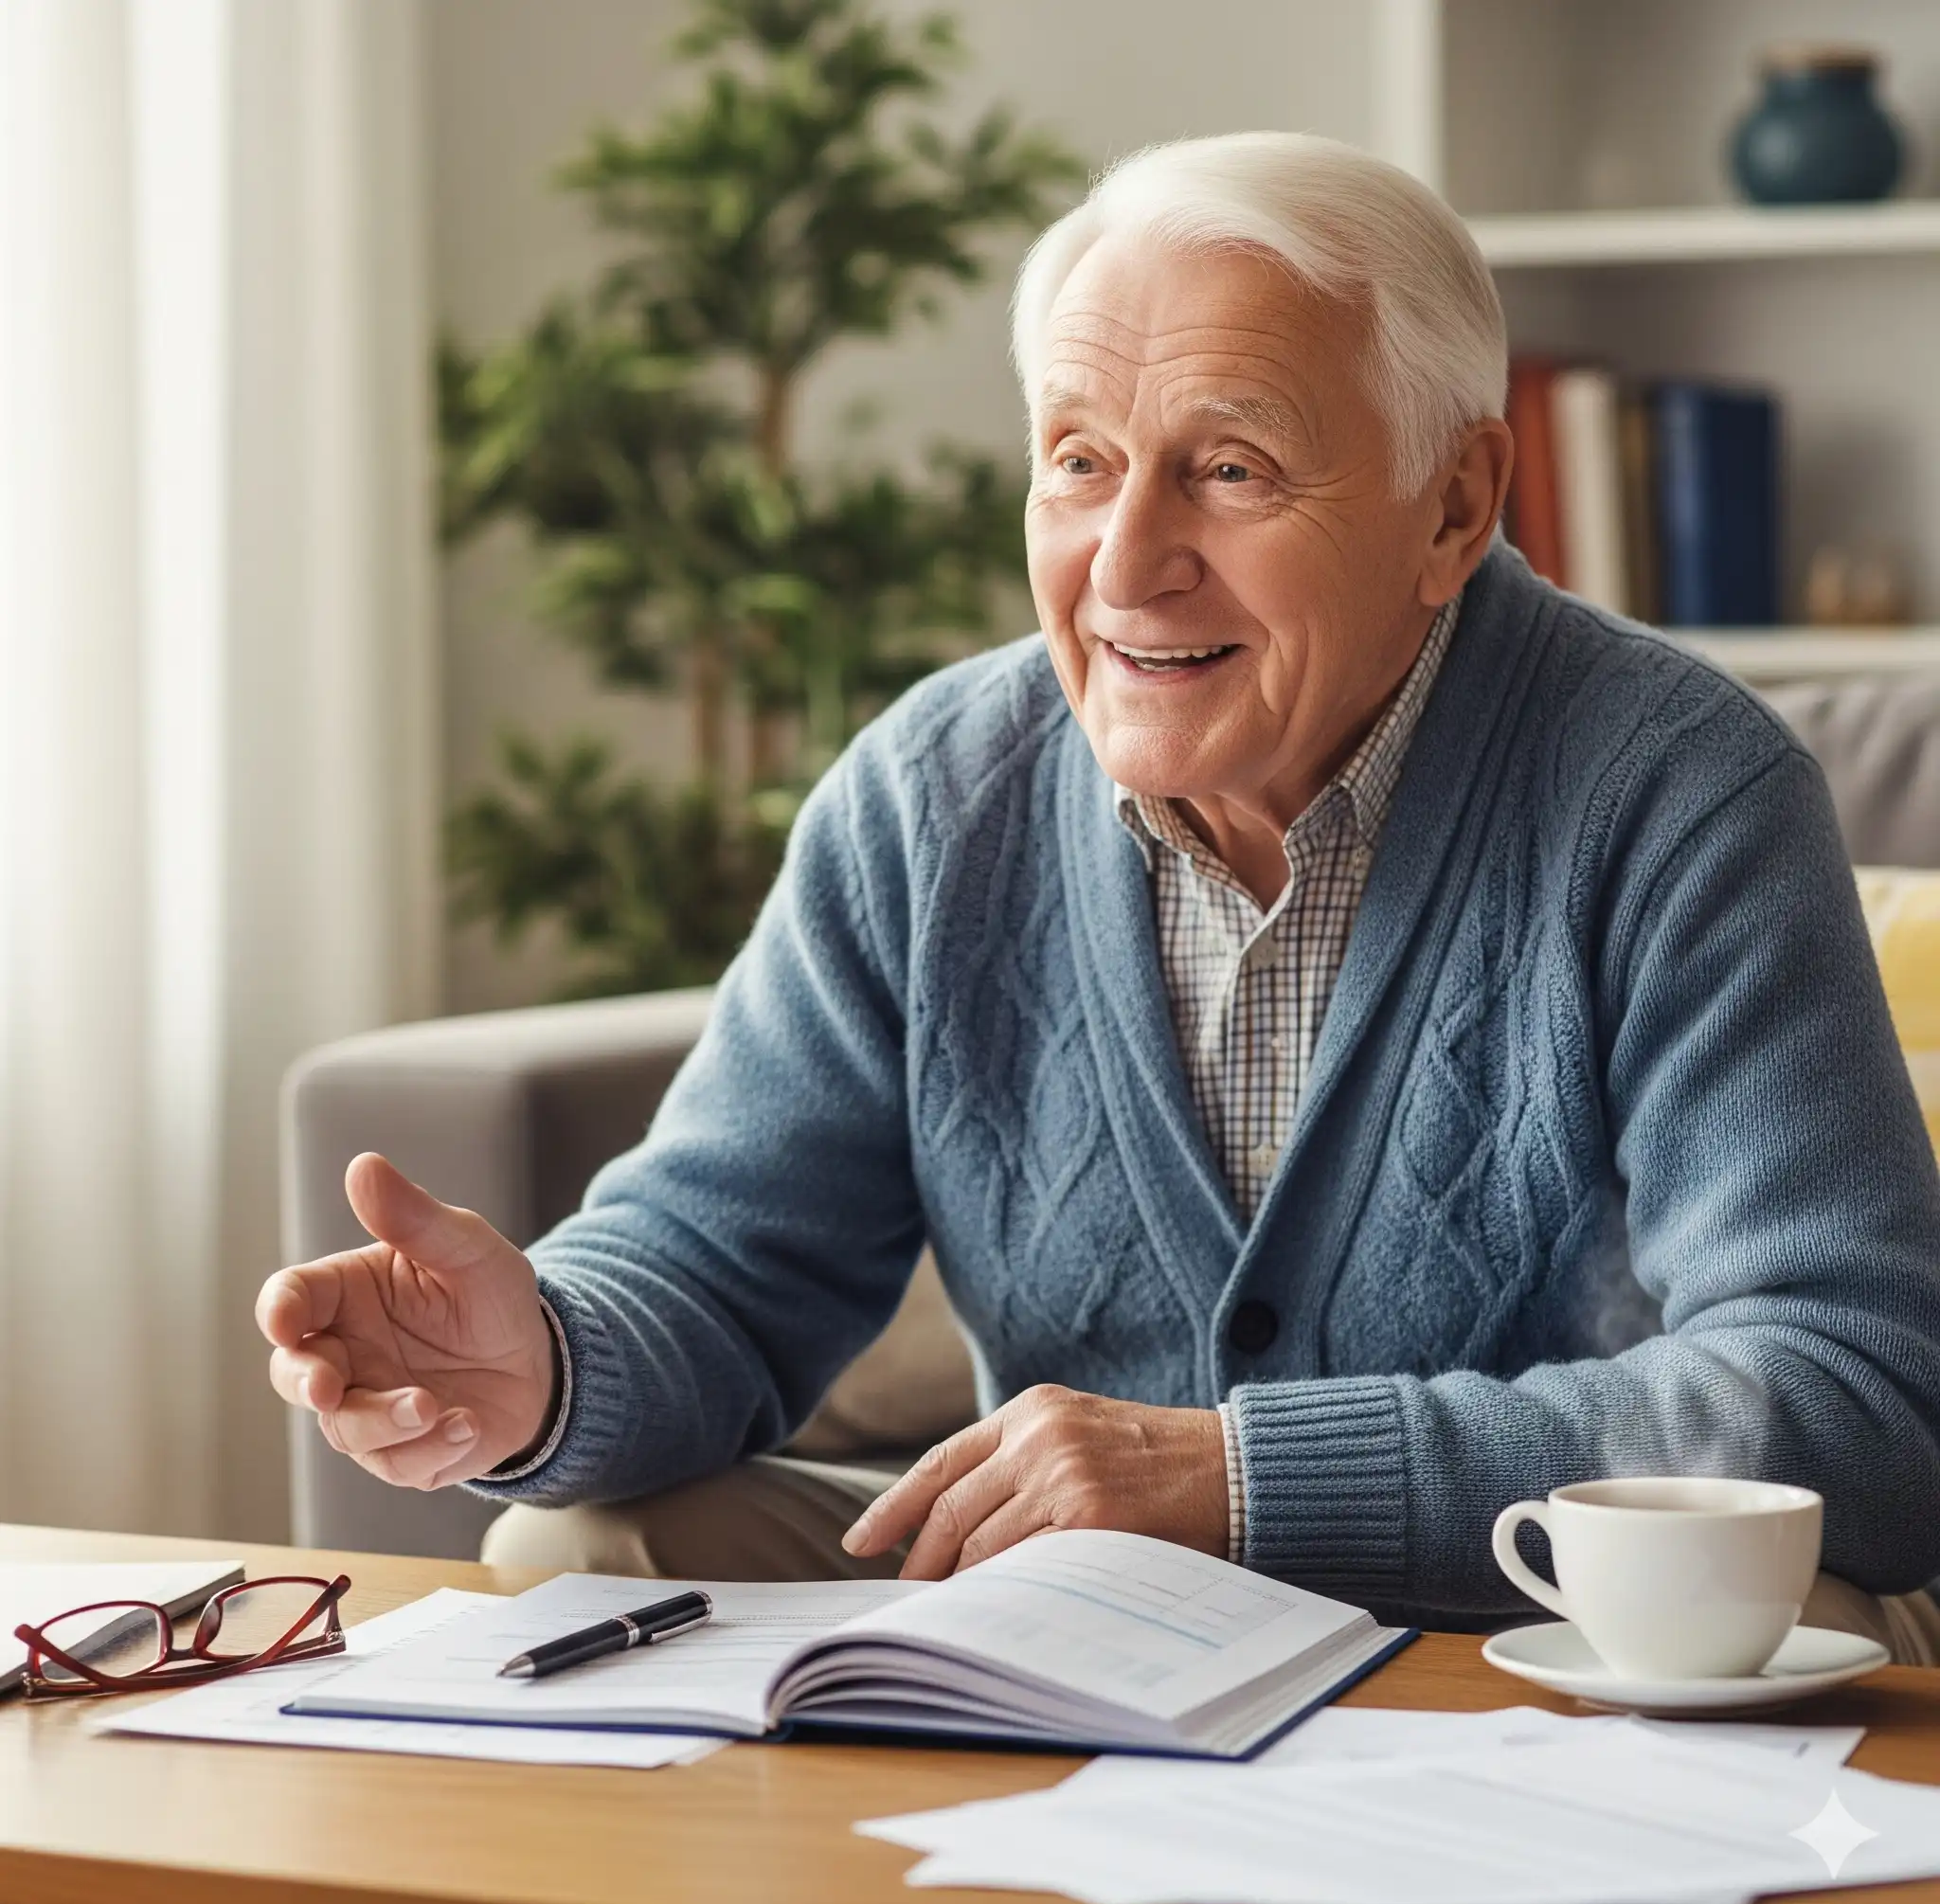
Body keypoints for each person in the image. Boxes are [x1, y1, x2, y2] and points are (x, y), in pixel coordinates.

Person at [257, 133, 1940, 1657]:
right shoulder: (935, 792)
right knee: (581, 1532)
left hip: (1513, 1628)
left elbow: (1857, 1401)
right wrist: (543, 1357)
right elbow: (716, 1262)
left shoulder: (1678, 794)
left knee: (1802, 1605)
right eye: (1078, 461)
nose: (1126, 565)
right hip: (1068, 1636)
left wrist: (1243, 1478)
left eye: (1229, 469)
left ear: (1457, 504)